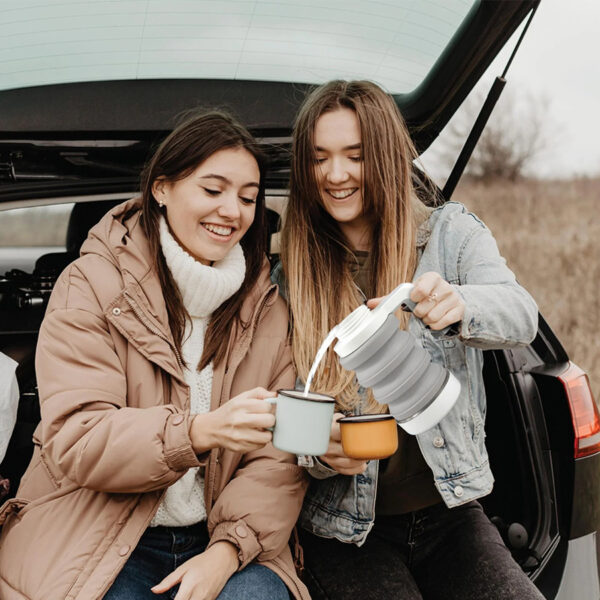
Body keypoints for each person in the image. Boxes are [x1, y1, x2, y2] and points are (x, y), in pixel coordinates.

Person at [0, 111, 310, 600]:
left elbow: (279, 456)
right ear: (161, 189)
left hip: (227, 537)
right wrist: (197, 432)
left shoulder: (269, 307)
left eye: (248, 198)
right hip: (96, 532)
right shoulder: (89, 286)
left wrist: (225, 553)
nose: (232, 210)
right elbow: (79, 436)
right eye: (213, 190)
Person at [274, 80, 543, 599]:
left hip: (451, 513)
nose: (335, 174)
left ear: (387, 156)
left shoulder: (450, 234)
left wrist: (463, 305)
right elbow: (281, 411)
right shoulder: (293, 276)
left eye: (355, 156)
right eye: (320, 158)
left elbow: (521, 314)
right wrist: (321, 454)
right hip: (342, 531)